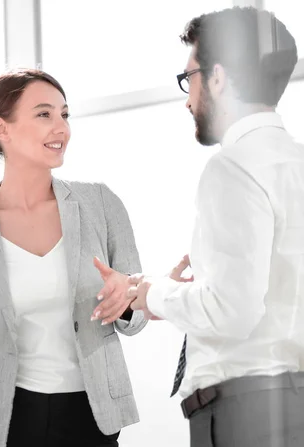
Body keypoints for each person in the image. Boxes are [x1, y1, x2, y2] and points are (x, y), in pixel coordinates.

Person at [0, 69, 147, 447]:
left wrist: (127, 302)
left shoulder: (101, 204)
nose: (61, 127)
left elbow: (136, 319)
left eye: (65, 114)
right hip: (4, 415)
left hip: (90, 413)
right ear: (2, 128)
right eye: (44, 114)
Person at [118, 7, 303, 447]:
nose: (187, 97)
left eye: (191, 78)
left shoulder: (233, 168)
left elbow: (232, 310)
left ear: (217, 77)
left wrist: (153, 294)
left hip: (247, 415)